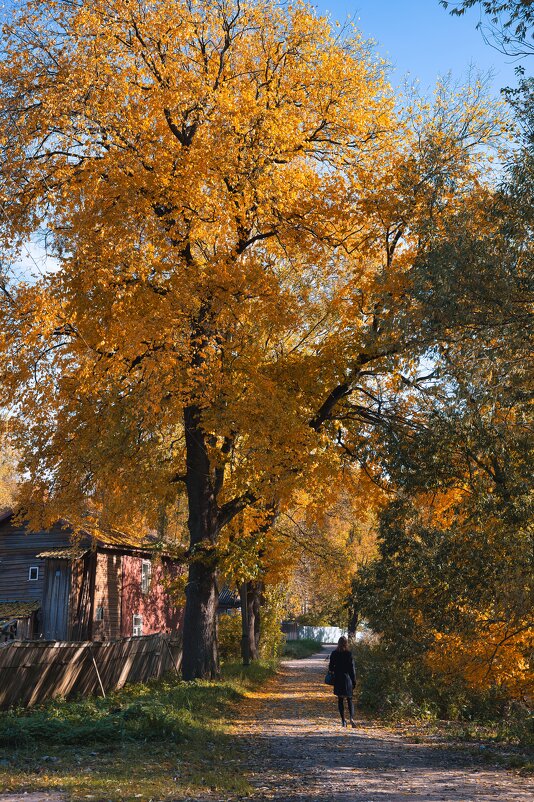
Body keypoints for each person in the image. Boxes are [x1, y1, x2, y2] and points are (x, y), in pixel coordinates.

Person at [328, 636, 356, 727]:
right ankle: (351, 718)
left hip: (338, 679)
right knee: (349, 699)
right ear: (346, 643)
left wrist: (335, 669)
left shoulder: (334, 653)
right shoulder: (349, 654)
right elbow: (352, 669)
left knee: (340, 700)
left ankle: (343, 720)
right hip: (347, 679)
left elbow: (331, 668)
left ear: (338, 643)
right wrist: (354, 681)